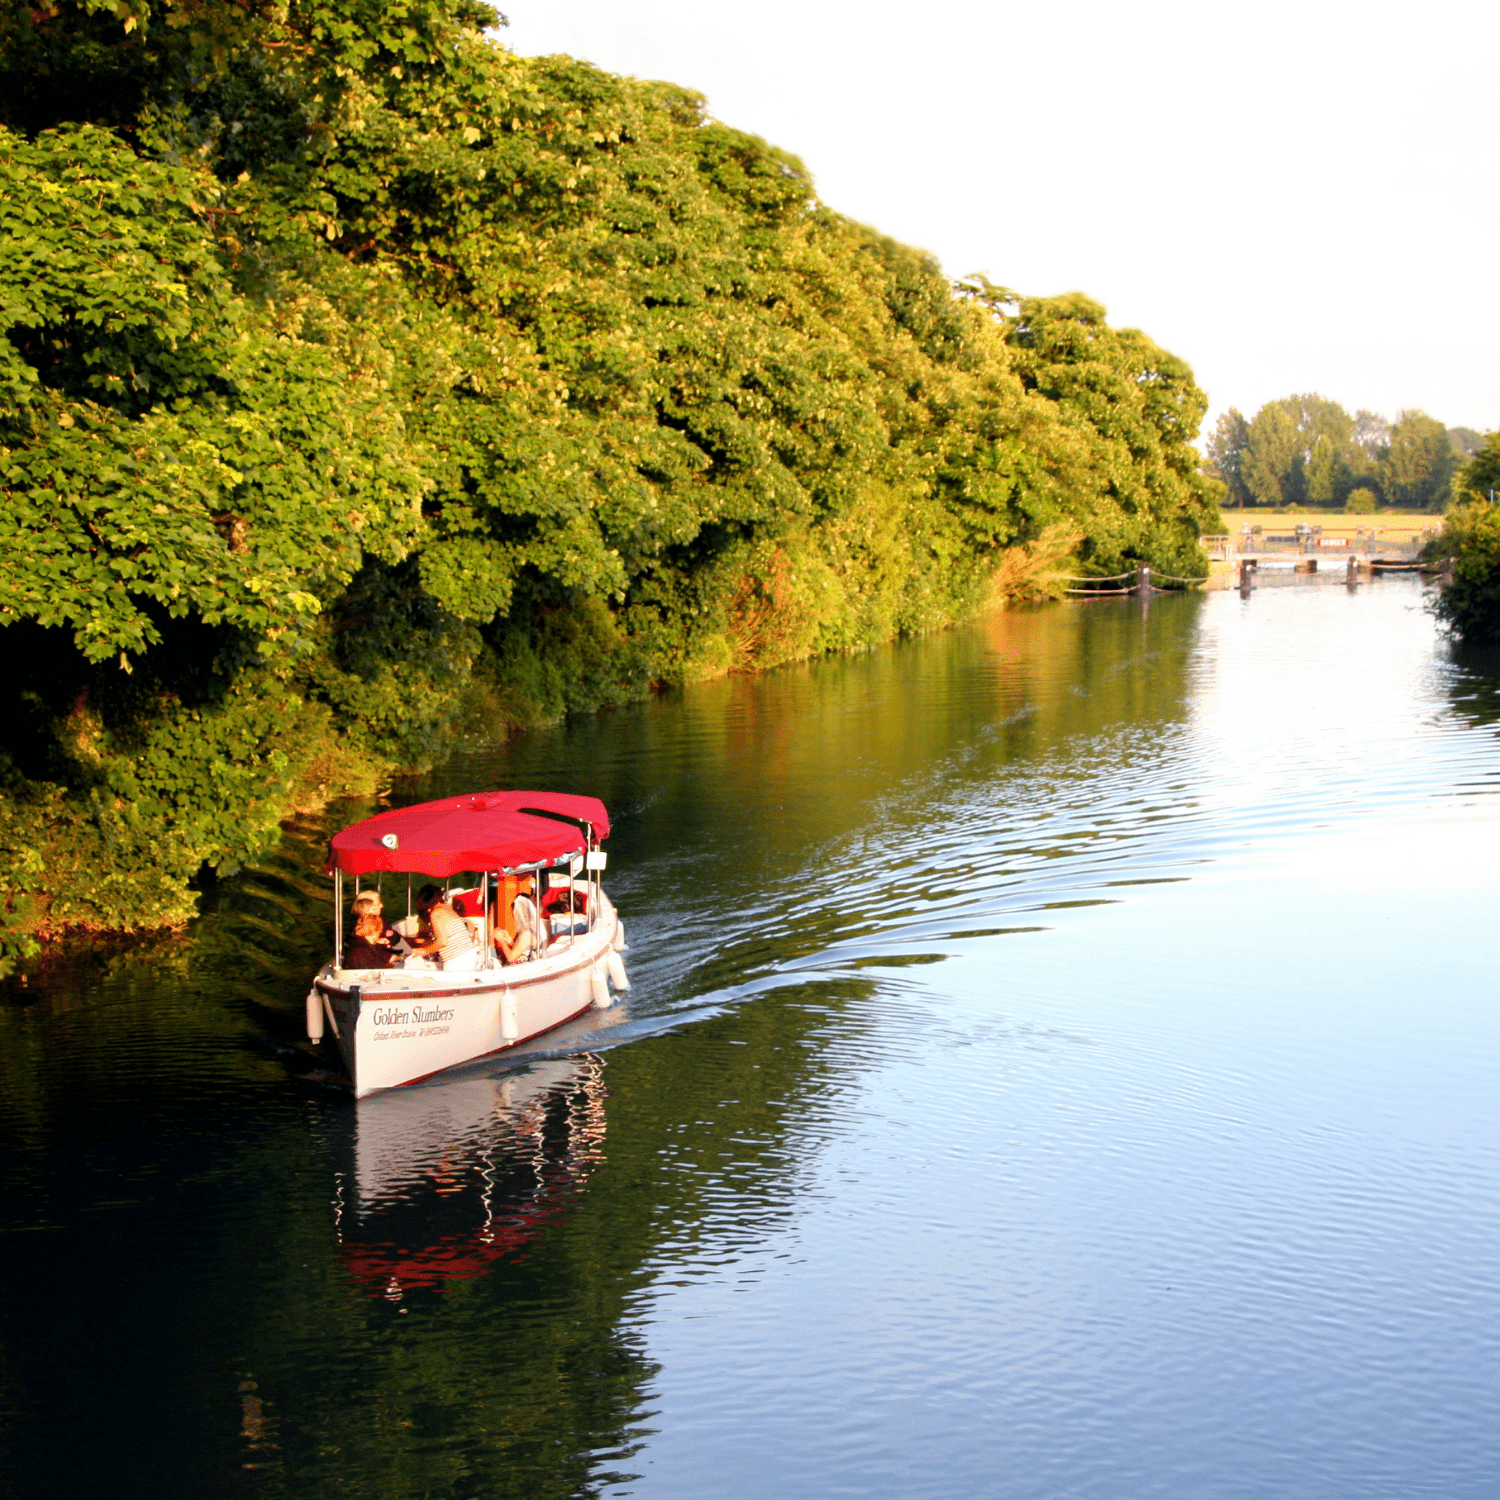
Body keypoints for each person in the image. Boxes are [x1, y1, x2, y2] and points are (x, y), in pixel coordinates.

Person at [404, 884, 481, 970]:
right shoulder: (447, 908)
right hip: (469, 955)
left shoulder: (436, 913)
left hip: (457, 960)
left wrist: (424, 951)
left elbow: (442, 942)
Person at [492, 875, 537, 965]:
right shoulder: (531, 929)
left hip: (521, 969)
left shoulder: (527, 933)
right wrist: (509, 940)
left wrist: (501, 940)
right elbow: (521, 949)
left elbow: (511, 958)